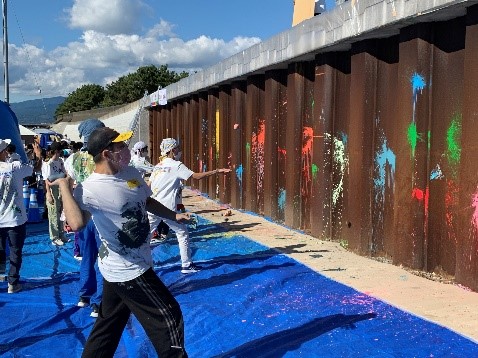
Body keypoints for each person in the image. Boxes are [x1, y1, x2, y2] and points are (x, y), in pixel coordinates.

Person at [49, 127, 190, 357]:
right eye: (121, 146)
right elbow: (76, 223)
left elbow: (147, 200)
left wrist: (173, 215)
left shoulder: (131, 172)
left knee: (108, 326)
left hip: (126, 266)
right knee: (169, 315)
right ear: (107, 153)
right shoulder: (89, 189)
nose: (126, 149)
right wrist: (65, 186)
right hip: (128, 270)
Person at [148, 138, 231, 273]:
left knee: (146, 238)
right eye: (178, 148)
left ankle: (140, 266)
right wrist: (216, 171)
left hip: (153, 206)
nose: (179, 151)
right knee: (182, 233)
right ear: (173, 150)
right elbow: (196, 176)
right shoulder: (177, 165)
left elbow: (148, 187)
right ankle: (186, 265)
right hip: (167, 209)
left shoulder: (158, 166)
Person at [63, 118, 104, 317]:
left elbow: (69, 187)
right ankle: (99, 300)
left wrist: (67, 216)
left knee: (87, 256)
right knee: (104, 257)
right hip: (103, 213)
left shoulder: (74, 159)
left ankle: (85, 295)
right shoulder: (105, 155)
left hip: (82, 213)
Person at [0, 138, 33, 293]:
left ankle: (1, 275)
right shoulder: (15, 166)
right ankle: (13, 282)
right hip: (15, 218)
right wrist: (35, 155)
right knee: (15, 250)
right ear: (3, 152)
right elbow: (32, 169)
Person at [39, 141, 67, 246]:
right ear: (56, 151)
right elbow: (46, 180)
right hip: (52, 189)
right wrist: (48, 194)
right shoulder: (47, 163)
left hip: (61, 187)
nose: (60, 153)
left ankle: (61, 233)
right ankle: (54, 236)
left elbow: (65, 173)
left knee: (61, 212)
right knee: (53, 213)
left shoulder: (60, 161)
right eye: (59, 151)